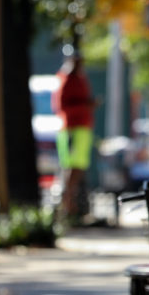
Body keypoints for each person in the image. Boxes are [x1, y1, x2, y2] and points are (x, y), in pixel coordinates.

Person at [51, 53, 96, 222]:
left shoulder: (80, 78)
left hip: (83, 128)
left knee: (78, 168)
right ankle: (67, 208)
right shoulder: (66, 80)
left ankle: (72, 208)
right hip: (72, 129)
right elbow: (61, 107)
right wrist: (85, 105)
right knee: (70, 169)